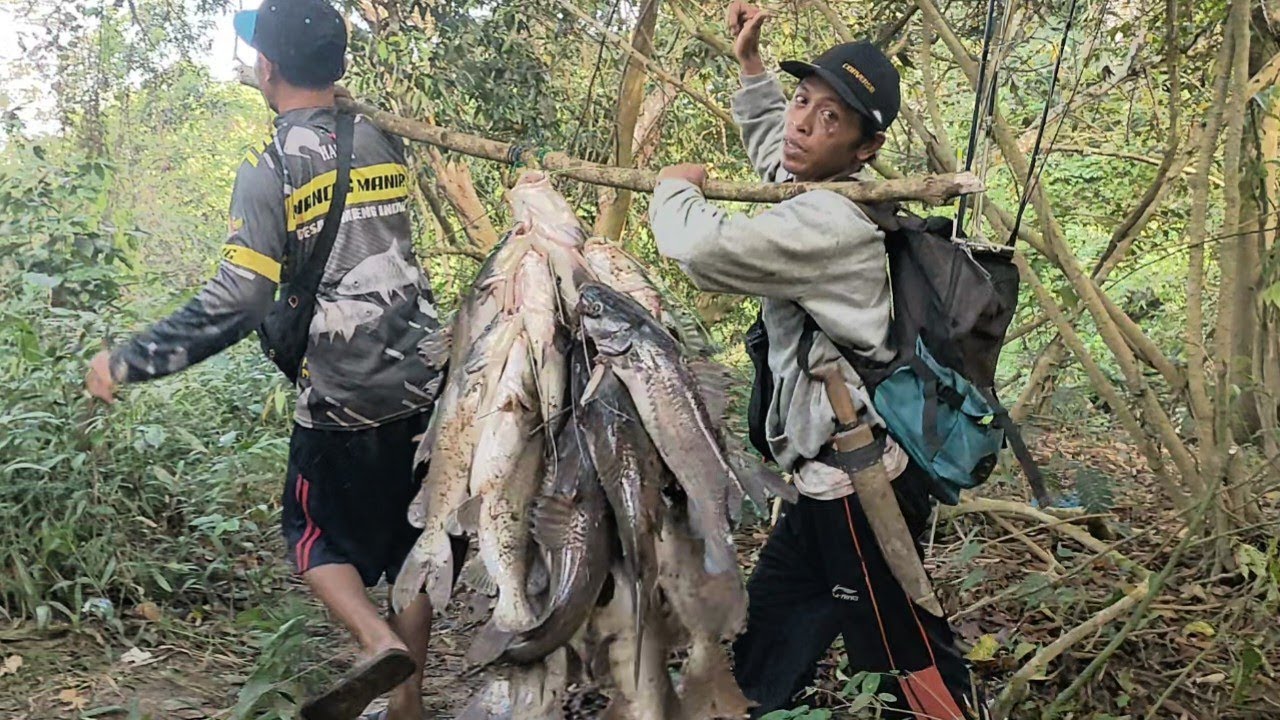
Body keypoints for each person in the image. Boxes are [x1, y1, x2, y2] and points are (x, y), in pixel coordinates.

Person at [83, 1, 454, 717]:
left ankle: (377, 642)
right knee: (413, 549)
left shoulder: (271, 165)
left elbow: (240, 300)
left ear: (269, 67)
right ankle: (407, 707)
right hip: (421, 381)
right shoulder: (381, 136)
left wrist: (132, 360)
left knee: (310, 538)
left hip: (343, 396)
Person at [649, 3, 983, 718]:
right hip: (822, 484)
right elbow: (781, 156)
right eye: (803, 102)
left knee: (905, 659)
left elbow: (704, 252)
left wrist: (672, 188)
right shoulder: (827, 192)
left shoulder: (831, 223)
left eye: (832, 118)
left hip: (862, 489)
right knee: (768, 643)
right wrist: (752, 70)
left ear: (867, 148)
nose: (803, 123)